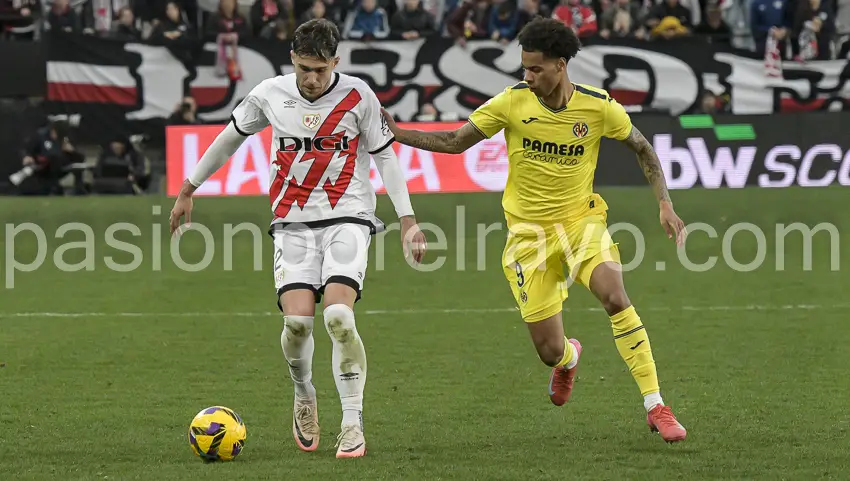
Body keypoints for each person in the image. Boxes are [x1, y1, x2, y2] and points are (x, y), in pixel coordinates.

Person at [381, 17, 688, 443]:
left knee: (616, 296)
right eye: (523, 68)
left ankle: (656, 405)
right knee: (548, 351)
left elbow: (642, 147)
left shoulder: (598, 106)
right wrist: (398, 134)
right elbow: (455, 142)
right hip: (528, 239)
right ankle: (568, 358)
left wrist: (665, 203)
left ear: (561, 65)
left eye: (535, 68)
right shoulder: (511, 103)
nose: (526, 76)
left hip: (582, 225)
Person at [168, 18, 427, 458]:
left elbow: (385, 159)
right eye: (305, 68)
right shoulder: (269, 93)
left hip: (349, 217)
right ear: (292, 59)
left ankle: (351, 422)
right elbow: (229, 140)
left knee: (339, 318)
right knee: (297, 324)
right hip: (291, 223)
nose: (312, 78)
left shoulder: (359, 95)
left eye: (321, 70)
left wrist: (408, 219)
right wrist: (188, 188)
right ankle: (304, 392)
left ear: (335, 63)